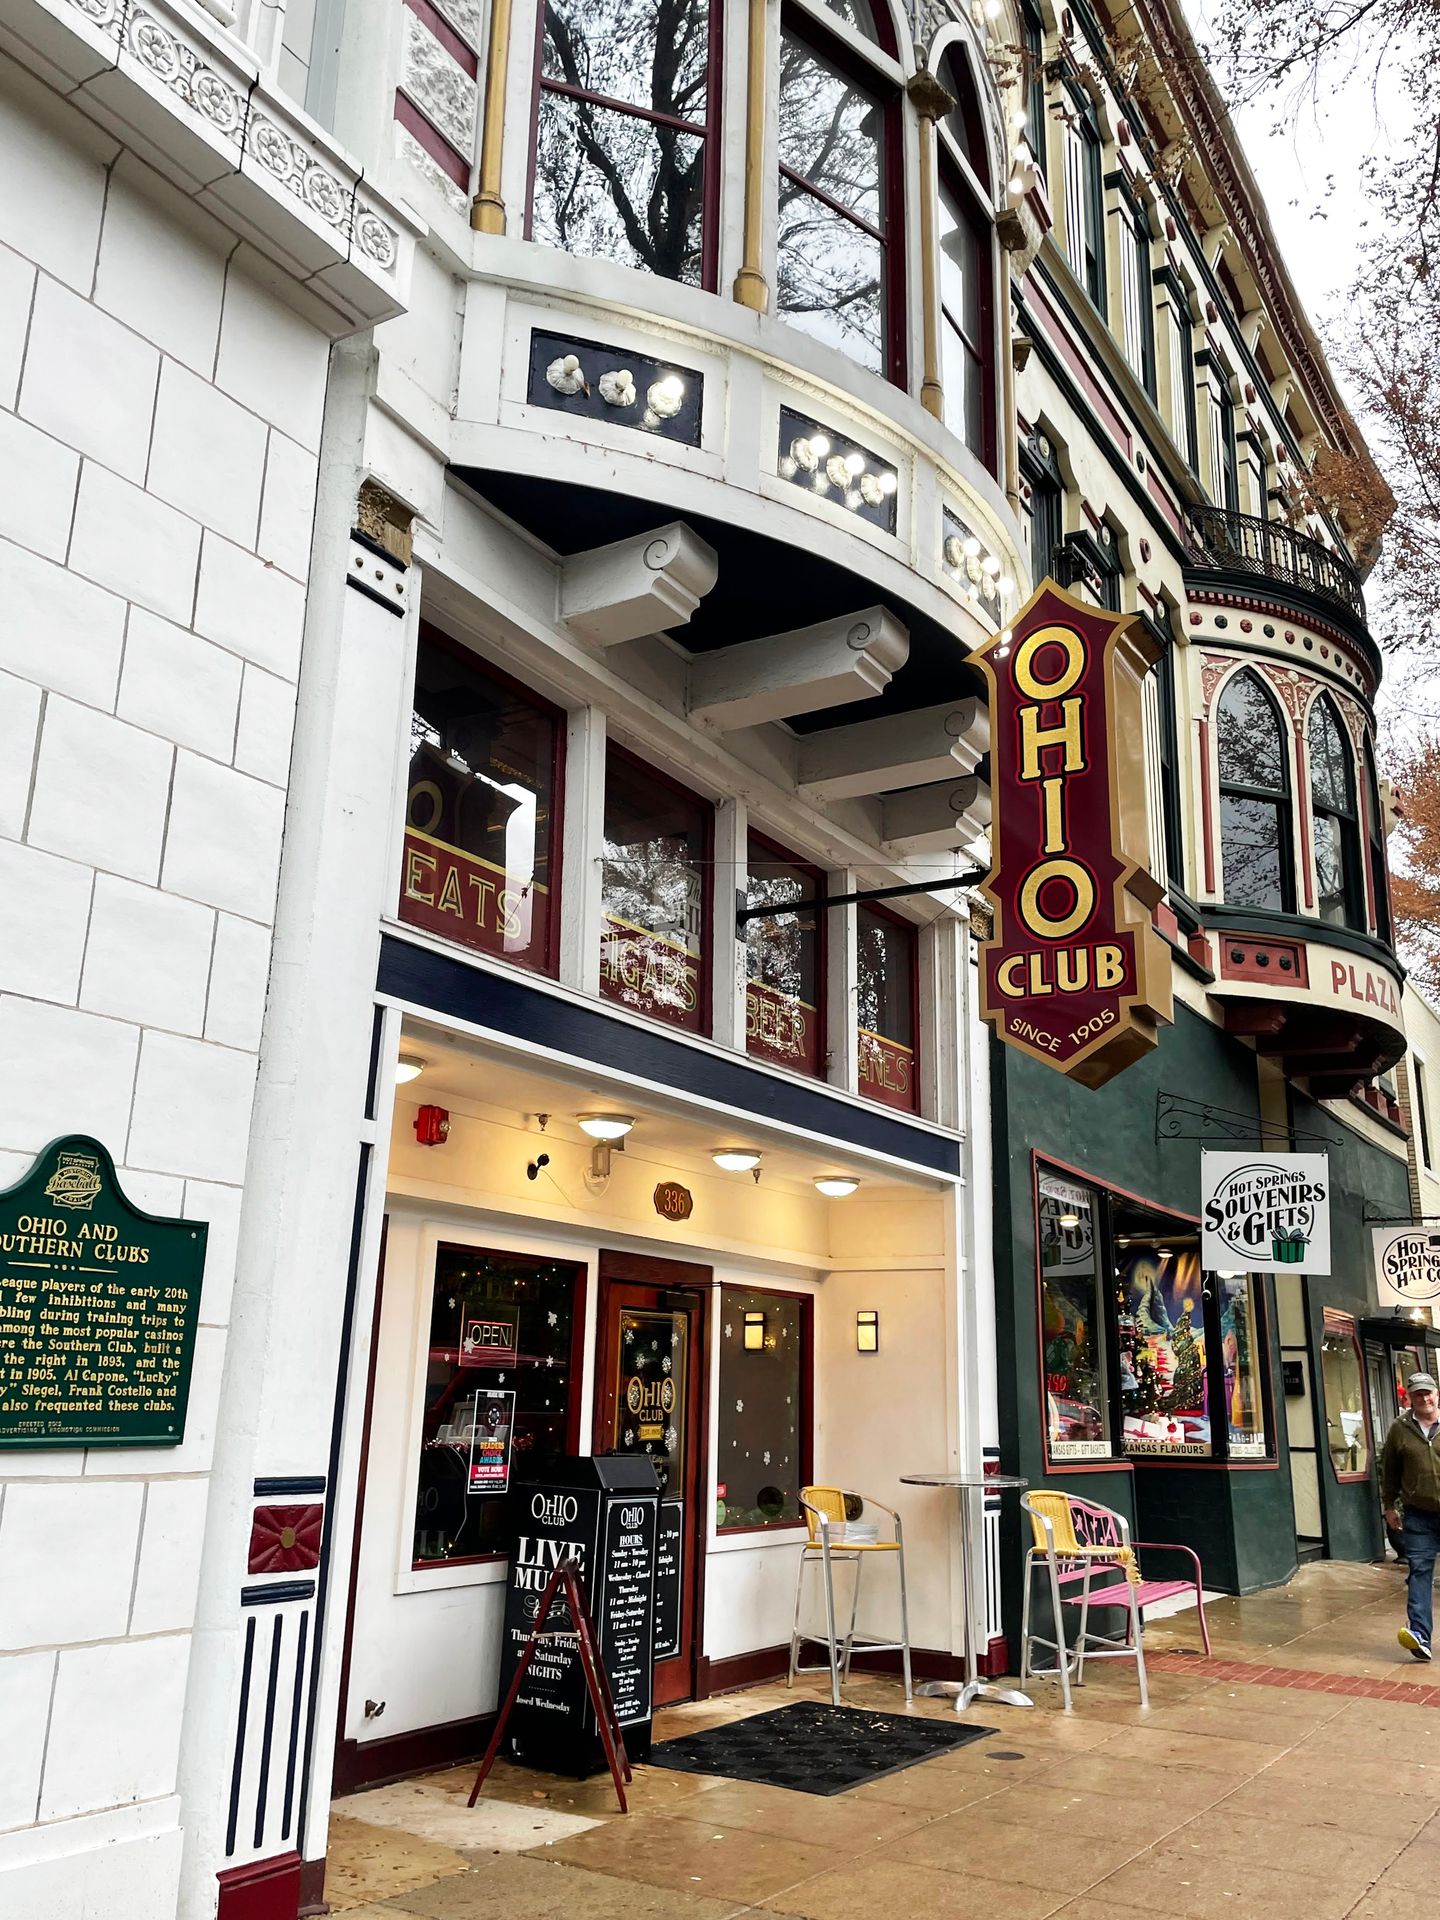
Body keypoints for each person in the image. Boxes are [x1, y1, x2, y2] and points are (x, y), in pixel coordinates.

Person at [1382, 1372, 1440, 1660]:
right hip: (1418, 1515)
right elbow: (1389, 1470)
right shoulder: (1399, 1429)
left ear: (1437, 1394)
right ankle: (1419, 1635)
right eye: (1418, 1394)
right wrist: (1389, 1506)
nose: (1425, 1398)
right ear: (1410, 1398)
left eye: (1428, 1393)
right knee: (1419, 1572)